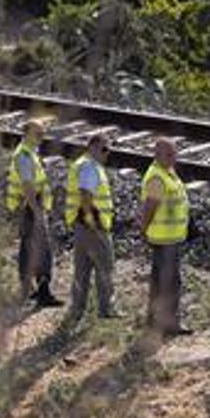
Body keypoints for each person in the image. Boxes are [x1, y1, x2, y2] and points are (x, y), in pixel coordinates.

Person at [138, 138, 192, 337]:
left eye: (174, 154)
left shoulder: (166, 173)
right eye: (169, 154)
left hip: (171, 238)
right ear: (157, 155)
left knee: (161, 281)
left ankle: (155, 321)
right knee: (169, 282)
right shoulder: (157, 178)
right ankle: (167, 323)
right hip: (164, 239)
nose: (173, 158)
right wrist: (143, 229)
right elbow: (149, 207)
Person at [6, 120, 63, 307]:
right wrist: (37, 212)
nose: (41, 138)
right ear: (27, 133)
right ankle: (42, 291)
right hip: (30, 206)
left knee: (28, 247)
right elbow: (27, 186)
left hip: (29, 206)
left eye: (42, 134)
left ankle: (27, 289)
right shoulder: (24, 156)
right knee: (42, 248)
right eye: (38, 134)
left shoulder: (29, 153)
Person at [64, 134, 119, 320]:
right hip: (92, 226)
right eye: (104, 149)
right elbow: (86, 194)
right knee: (105, 266)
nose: (106, 154)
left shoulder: (83, 164)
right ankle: (106, 310)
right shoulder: (89, 167)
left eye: (108, 150)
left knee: (82, 270)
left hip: (81, 225)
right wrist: (93, 223)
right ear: (92, 148)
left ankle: (76, 311)